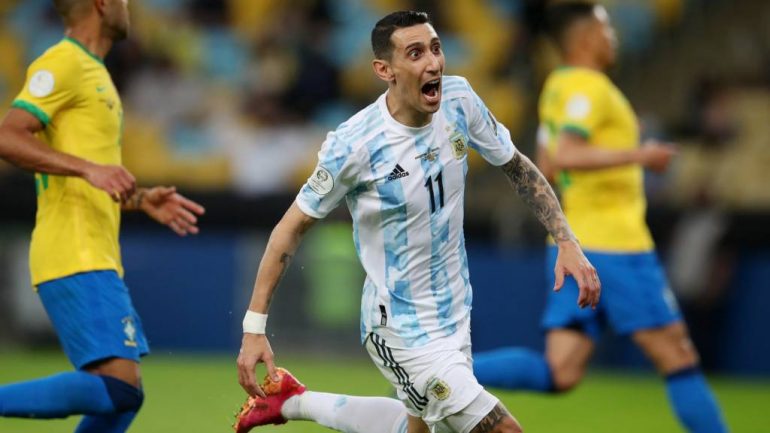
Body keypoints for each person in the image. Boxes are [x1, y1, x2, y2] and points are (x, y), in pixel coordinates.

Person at [234, 10, 600, 433]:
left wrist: (566, 240)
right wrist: (254, 328)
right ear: (384, 70)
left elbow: (516, 166)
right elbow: (289, 229)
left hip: (455, 313)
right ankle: (293, 402)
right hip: (399, 328)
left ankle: (291, 401)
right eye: (415, 53)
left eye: (435, 48)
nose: (433, 63)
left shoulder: (459, 101)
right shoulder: (356, 144)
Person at [472, 3, 729, 433]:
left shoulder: (556, 87)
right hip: (617, 245)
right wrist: (640, 154)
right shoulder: (588, 88)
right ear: (586, 36)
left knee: (561, 371)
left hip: (572, 245)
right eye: (606, 28)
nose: (614, 37)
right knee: (678, 356)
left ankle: (439, 378)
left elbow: (547, 164)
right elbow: (567, 155)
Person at [0, 1, 205, 432]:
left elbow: (88, 175)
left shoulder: (95, 73)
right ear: (101, 4)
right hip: (74, 250)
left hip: (93, 251)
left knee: (122, 398)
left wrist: (140, 199)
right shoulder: (63, 62)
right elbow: (8, 135)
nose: (128, 9)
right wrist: (89, 168)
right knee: (119, 389)